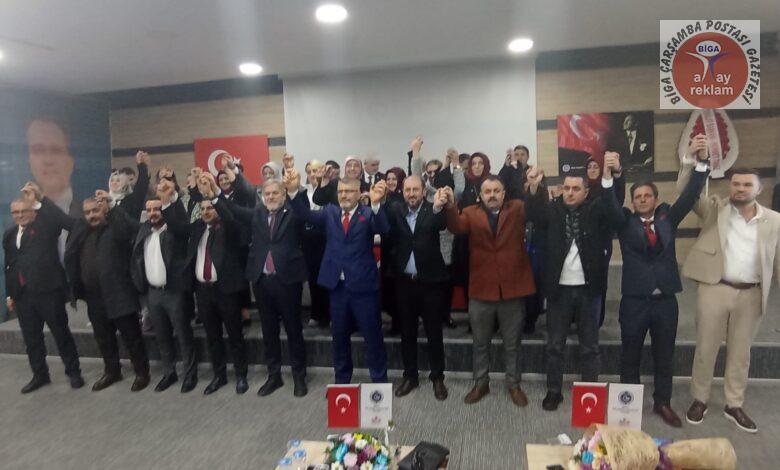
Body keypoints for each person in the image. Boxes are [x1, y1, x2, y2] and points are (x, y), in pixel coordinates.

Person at [680, 135, 780, 433]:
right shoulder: (716, 209)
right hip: (715, 288)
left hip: (752, 294)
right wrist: (691, 161)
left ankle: (734, 404)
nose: (740, 189)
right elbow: (686, 194)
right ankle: (699, 399)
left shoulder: (774, 221)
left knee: (741, 353)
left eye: (747, 185)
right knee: (705, 348)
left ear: (759, 189)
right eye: (736, 184)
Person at [601, 150, 708, 427]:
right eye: (637, 197)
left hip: (665, 302)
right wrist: (608, 177)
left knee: (664, 356)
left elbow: (689, 196)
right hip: (634, 302)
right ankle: (629, 407)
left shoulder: (668, 218)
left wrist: (701, 164)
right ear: (632, 202)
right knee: (630, 354)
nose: (642, 199)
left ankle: (663, 402)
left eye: (647, 195)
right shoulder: (624, 223)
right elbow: (610, 206)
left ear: (655, 199)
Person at [525, 165, 622, 411]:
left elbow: (615, 208)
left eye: (575, 188)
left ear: (585, 192)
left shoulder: (596, 210)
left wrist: (611, 179)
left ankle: (589, 393)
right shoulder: (552, 210)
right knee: (554, 346)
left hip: (589, 290)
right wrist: (534, 187)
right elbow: (533, 214)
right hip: (559, 290)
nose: (569, 192)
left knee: (590, 347)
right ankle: (554, 391)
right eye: (566, 188)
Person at [210, 171, 310, 397]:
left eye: (275, 193)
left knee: (293, 330)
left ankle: (299, 376)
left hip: (288, 281)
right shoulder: (257, 213)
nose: (271, 197)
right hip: (262, 281)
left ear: (283, 194)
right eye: (267, 194)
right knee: (268, 331)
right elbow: (234, 210)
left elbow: (303, 210)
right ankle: (274, 376)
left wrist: (295, 190)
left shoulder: (293, 211)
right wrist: (216, 195)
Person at [442, 176, 536, 406]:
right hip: (481, 289)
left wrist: (534, 189)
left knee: (512, 344)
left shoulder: (518, 208)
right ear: (480, 195)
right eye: (487, 191)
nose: (492, 195)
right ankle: (481, 384)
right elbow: (455, 226)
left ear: (504, 193)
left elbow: (539, 212)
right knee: (480, 343)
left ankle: (513, 385)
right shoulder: (470, 213)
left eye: (496, 191)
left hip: (512, 289)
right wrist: (451, 205)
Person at [288, 174, 390, 384]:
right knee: (339, 338)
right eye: (341, 191)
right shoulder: (330, 212)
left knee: (373, 337)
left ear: (359, 193)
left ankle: (379, 382)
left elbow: (383, 229)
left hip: (364, 288)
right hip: (337, 288)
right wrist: (292, 192)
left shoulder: (368, 213)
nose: (344, 195)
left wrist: (376, 204)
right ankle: (342, 382)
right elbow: (305, 214)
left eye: (349, 191)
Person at [64, 191, 150, 392]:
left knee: (132, 337)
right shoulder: (82, 233)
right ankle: (112, 371)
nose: (91, 215)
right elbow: (72, 257)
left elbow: (133, 229)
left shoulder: (116, 228)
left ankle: (142, 372)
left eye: (95, 210)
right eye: (87, 212)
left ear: (103, 210)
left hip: (120, 294)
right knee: (103, 338)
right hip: (94, 297)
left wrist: (112, 208)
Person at [3, 182, 83, 393]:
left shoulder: (46, 226)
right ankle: (40, 375)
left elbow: (68, 223)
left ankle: (73, 372)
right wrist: (10, 294)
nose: (20, 215)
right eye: (16, 212)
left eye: (24, 211)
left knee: (61, 334)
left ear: (33, 212)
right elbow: (10, 266)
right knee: (32, 339)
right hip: (23, 296)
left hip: (49, 292)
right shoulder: (9, 235)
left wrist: (41, 200)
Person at [176, 176, 250, 395]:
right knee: (212, 336)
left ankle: (241, 375)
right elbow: (178, 227)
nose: (206, 211)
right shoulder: (198, 228)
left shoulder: (229, 228)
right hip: (203, 291)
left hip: (226, 290)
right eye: (203, 208)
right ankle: (220, 375)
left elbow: (229, 217)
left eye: (210, 208)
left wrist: (215, 196)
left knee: (235, 335)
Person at [131, 180, 198, 393]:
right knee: (162, 337)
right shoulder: (144, 231)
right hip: (152, 294)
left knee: (183, 335)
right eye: (149, 210)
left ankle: (190, 374)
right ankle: (169, 373)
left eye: (157, 209)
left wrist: (169, 201)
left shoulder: (175, 231)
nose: (153, 213)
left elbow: (181, 224)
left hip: (174, 292)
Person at [388, 175, 450, 400]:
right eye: (408, 190)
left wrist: (437, 206)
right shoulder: (396, 210)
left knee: (434, 332)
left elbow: (440, 223)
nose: (411, 194)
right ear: (403, 192)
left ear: (424, 191)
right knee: (407, 332)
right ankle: (410, 376)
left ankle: (437, 377)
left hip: (430, 282)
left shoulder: (433, 210)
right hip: (405, 283)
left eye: (415, 189)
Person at [302, 160, 331, 328]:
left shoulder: (330, 189)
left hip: (326, 238)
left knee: (328, 277)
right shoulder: (303, 192)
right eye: (310, 171)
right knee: (313, 278)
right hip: (309, 240)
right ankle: (316, 313)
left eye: (316, 170)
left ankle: (329, 314)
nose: (313, 174)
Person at [381, 167, 407, 336]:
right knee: (388, 289)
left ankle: (400, 323)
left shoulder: (402, 199)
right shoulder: (384, 197)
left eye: (394, 179)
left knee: (398, 290)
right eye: (388, 178)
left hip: (399, 250)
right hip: (387, 249)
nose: (390, 182)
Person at [109, 150, 151, 220]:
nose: (114, 183)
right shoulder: (105, 201)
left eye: (118, 180)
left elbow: (142, 186)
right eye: (112, 180)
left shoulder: (132, 199)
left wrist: (142, 165)